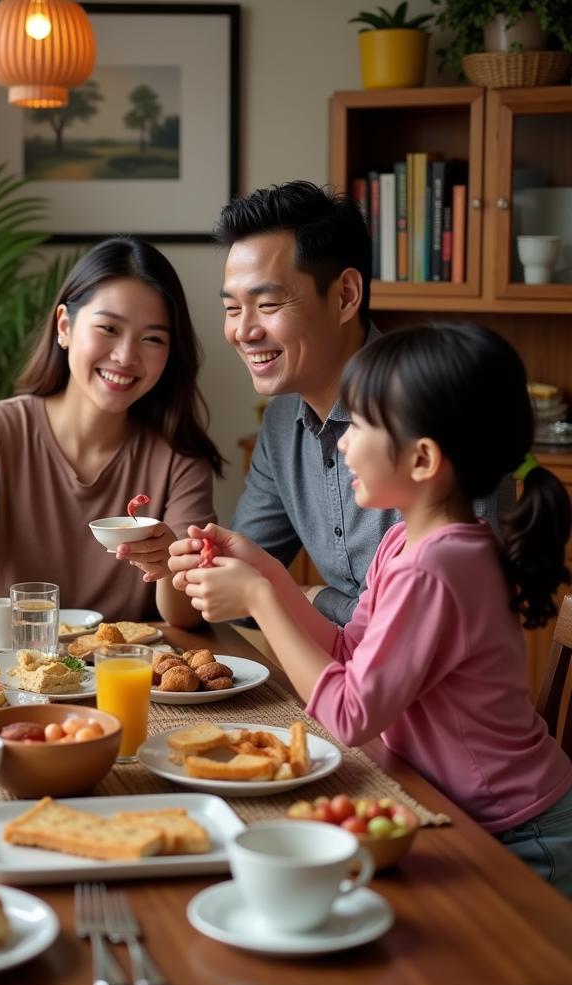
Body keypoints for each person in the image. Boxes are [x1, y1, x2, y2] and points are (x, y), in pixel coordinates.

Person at [171, 324, 572, 896]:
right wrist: (270, 574)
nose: (340, 443)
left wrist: (260, 599)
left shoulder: (436, 568)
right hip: (456, 808)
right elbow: (347, 652)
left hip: (518, 835)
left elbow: (352, 715)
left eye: (359, 425)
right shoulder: (405, 542)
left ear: (423, 459)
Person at [0, 237, 223, 660]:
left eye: (153, 339)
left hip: (121, 679)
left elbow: (186, 619)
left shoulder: (179, 456)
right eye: (109, 328)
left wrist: (168, 563)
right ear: (64, 326)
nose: (126, 355)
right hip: (7, 671)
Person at [215, 181, 509, 625]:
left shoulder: (444, 407)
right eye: (233, 309)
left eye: (268, 303)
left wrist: (307, 596)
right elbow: (236, 596)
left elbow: (451, 618)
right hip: (341, 673)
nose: (244, 331)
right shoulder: (281, 423)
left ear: (346, 296)